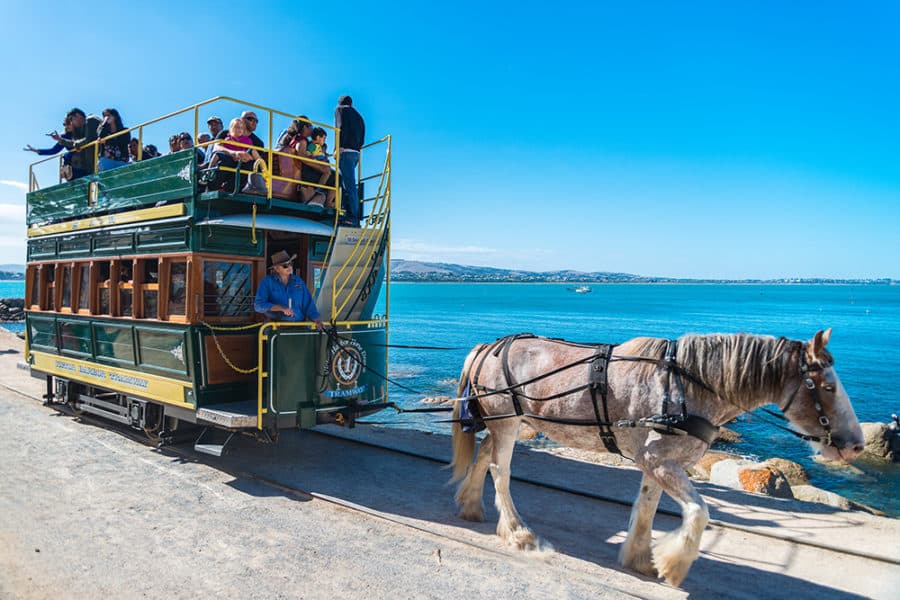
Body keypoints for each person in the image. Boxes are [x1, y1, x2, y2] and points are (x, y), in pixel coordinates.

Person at [254, 250, 323, 329]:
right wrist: (281, 308)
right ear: (276, 269)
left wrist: (316, 319)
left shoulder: (298, 281)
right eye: (285, 266)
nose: (289, 267)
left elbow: (308, 303)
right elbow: (258, 305)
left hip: (299, 327)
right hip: (276, 328)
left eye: (290, 264)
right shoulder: (267, 282)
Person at [334, 95, 365, 226]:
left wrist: (338, 146)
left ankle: (352, 216)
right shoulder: (359, 116)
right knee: (349, 184)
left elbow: (340, 128)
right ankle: (349, 213)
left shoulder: (340, 110)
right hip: (356, 152)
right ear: (351, 104)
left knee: (347, 185)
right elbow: (363, 135)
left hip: (345, 151)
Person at [51, 108, 103, 179]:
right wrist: (60, 139)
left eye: (71, 120)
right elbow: (76, 143)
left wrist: (77, 144)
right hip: (90, 163)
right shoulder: (81, 129)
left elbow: (89, 139)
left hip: (100, 158)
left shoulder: (91, 120)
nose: (72, 123)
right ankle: (69, 173)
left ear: (77, 115)